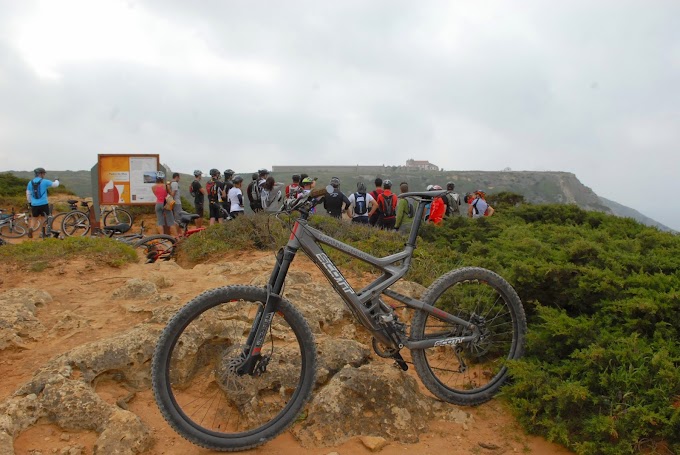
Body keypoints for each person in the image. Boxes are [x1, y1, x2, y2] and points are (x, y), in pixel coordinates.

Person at [26, 167, 60, 238]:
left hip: (34, 204)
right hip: (43, 203)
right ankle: (42, 232)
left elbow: (28, 193)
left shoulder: (30, 182)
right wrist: (57, 180)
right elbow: (55, 185)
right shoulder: (44, 181)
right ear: (40, 174)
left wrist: (30, 202)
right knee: (44, 218)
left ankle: (31, 228)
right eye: (43, 173)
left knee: (34, 218)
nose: (44, 175)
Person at [151, 171, 178, 236]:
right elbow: (171, 194)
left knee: (160, 222)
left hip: (158, 204)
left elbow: (156, 195)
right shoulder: (166, 186)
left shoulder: (153, 187)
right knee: (171, 222)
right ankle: (177, 238)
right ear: (163, 178)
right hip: (165, 204)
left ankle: (162, 237)